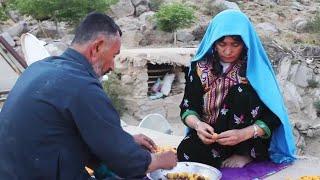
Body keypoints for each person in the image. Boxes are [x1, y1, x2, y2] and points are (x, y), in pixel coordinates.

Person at [0, 12, 177, 179]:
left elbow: (66, 131)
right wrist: (160, 161)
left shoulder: (39, 68)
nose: (113, 66)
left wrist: (126, 140)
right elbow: (125, 161)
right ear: (97, 47)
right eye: (114, 55)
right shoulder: (81, 85)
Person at [177, 9, 296, 168]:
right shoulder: (200, 67)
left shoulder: (255, 70)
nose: (228, 51)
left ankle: (245, 155)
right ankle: (219, 153)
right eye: (222, 44)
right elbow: (188, 106)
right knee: (186, 151)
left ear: (245, 42)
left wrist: (243, 134)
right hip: (214, 137)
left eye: (235, 44)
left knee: (240, 91)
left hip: (248, 140)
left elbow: (273, 115)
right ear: (213, 42)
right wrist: (198, 126)